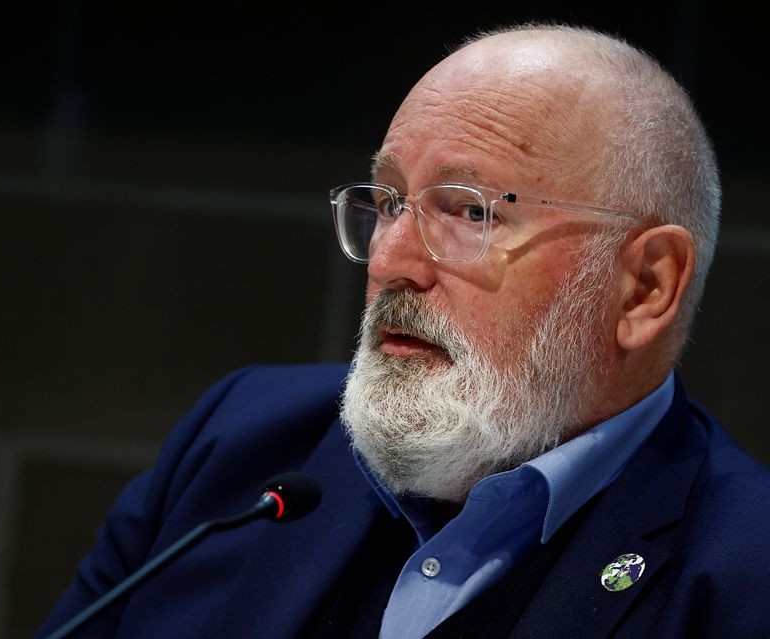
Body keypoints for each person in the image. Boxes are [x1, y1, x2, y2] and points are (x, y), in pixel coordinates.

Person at [38, 24, 770, 639]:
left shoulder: (743, 576)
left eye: (469, 212)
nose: (390, 259)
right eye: (388, 201)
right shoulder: (240, 446)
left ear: (645, 287)